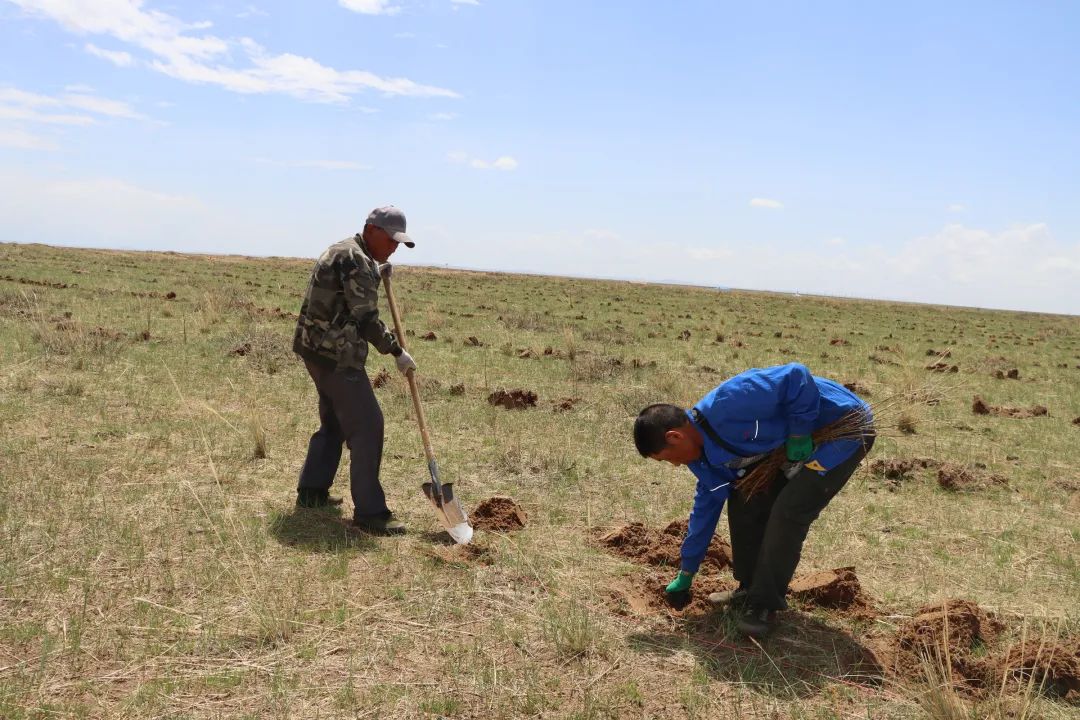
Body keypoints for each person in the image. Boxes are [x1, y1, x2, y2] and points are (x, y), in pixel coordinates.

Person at [632, 363, 874, 637]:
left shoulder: (731, 401)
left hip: (844, 429)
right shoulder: (703, 461)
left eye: (668, 459)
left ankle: (764, 604)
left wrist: (800, 433)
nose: (675, 465)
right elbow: (705, 511)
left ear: (675, 436)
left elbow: (796, 375)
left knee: (788, 512)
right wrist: (687, 572)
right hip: (795, 447)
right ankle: (749, 588)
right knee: (744, 496)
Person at [292, 206, 418, 535]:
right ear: (371, 230)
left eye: (398, 243)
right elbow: (367, 320)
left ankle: (312, 491)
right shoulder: (357, 260)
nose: (394, 248)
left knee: (334, 421)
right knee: (368, 425)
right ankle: (371, 512)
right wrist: (396, 351)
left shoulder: (344, 249)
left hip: (314, 349)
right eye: (391, 240)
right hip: (336, 356)